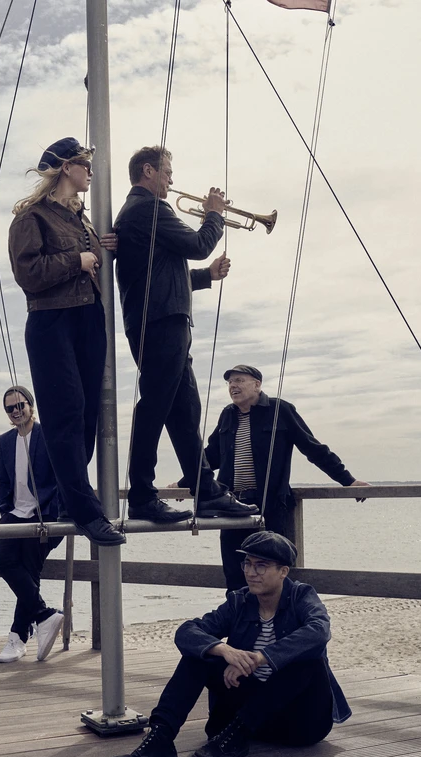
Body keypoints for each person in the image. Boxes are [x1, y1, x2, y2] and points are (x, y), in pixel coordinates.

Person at [109, 531, 350, 757]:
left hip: (299, 724)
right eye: (248, 563)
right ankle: (160, 740)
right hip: (241, 720)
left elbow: (319, 631)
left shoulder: (301, 596)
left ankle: (237, 735)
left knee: (308, 660)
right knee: (199, 654)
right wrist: (224, 650)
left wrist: (259, 657)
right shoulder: (239, 601)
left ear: (283, 571)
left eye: (262, 566)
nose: (251, 572)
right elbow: (187, 631)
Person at [113, 145, 257, 524]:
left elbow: (160, 276)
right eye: (167, 171)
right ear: (148, 171)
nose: (172, 179)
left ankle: (204, 490)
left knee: (184, 411)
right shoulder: (149, 208)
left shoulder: (141, 211)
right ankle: (142, 495)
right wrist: (214, 215)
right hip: (161, 323)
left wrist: (206, 277)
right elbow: (197, 245)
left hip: (163, 319)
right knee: (155, 408)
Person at [7, 136, 125, 547]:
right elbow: (28, 274)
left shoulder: (81, 220)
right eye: (84, 164)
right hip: (51, 320)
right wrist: (77, 260)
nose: (91, 170)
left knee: (89, 413)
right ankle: (84, 508)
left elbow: (91, 254)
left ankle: (65, 498)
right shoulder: (31, 218)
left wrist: (98, 247)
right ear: (64, 168)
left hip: (88, 316)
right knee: (66, 414)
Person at [204, 364, 370, 593]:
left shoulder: (279, 410)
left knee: (269, 574)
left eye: (240, 380)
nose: (233, 386)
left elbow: (313, 448)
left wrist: (348, 481)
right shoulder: (227, 415)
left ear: (257, 384)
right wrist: (184, 483)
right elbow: (210, 457)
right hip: (231, 506)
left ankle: (274, 625)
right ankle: (240, 626)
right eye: (230, 382)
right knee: (235, 575)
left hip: (269, 506)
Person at [0, 385, 65, 664]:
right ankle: (44, 615)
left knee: (29, 572)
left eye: (20, 405)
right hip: (14, 514)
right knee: (3, 562)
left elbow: (64, 475)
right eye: (10, 408)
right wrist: (5, 508)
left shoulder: (48, 435)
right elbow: (4, 480)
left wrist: (59, 513)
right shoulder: (3, 441)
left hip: (44, 514)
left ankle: (17, 637)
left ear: (31, 406)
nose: (15, 411)